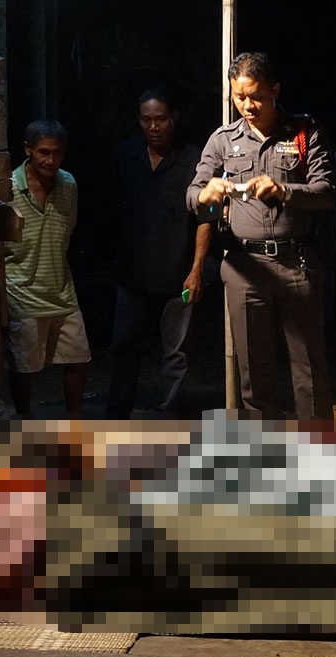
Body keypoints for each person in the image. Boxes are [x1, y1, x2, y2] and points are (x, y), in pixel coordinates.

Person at [187, 52, 336, 420]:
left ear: (275, 91)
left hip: (296, 264)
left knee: (309, 369)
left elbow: (327, 193)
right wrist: (204, 195)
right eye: (239, 97)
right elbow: (193, 194)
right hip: (244, 268)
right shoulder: (223, 140)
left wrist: (285, 191)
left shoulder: (304, 132)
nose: (247, 106)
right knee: (254, 373)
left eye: (255, 96)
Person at [106, 90, 212, 420]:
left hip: (178, 275)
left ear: (173, 118)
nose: (154, 127)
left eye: (161, 119)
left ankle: (166, 418)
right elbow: (113, 209)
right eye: (146, 120)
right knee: (124, 348)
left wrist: (196, 270)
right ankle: (117, 418)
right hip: (133, 274)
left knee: (174, 355)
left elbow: (206, 218)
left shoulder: (193, 158)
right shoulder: (127, 154)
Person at [5, 119, 89, 419]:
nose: (50, 160)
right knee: (24, 366)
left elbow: (68, 231)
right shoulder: (8, 187)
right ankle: (25, 420)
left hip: (60, 288)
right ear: (28, 150)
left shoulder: (68, 184)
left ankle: (74, 423)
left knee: (78, 357)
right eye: (43, 152)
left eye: (56, 153)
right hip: (21, 291)